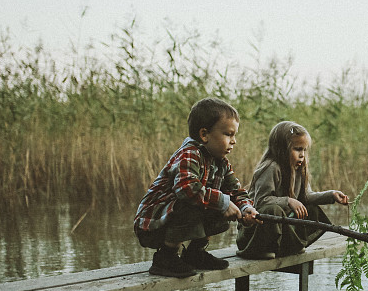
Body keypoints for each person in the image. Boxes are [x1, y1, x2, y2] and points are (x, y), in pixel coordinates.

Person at [134, 97, 260, 277]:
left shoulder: (221, 163)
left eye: (234, 135)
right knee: (203, 202)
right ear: (204, 134)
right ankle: (165, 257)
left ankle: (195, 253)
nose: (234, 141)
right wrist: (223, 202)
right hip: (153, 223)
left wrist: (245, 208)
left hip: (172, 218)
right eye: (228, 134)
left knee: (219, 204)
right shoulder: (189, 154)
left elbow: (235, 191)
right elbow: (187, 189)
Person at [236, 121, 348, 259]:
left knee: (311, 209)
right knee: (273, 210)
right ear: (281, 149)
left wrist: (331, 195)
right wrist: (288, 201)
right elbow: (261, 201)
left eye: (304, 150)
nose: (302, 155)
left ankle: (289, 246)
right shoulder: (271, 168)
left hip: (278, 229)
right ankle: (259, 250)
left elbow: (306, 196)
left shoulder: (298, 169)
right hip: (254, 234)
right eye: (298, 149)